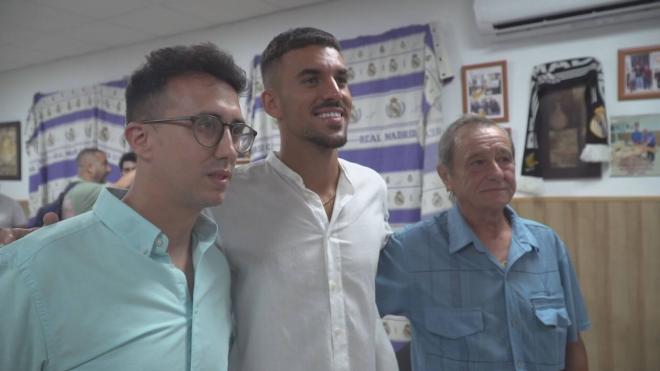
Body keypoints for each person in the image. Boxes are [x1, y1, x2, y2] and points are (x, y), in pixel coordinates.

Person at [0, 42, 256, 370]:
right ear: (140, 139)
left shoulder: (217, 267)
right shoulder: (32, 271)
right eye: (206, 124)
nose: (230, 150)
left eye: (236, 131)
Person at [211, 27, 398, 371]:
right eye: (311, 80)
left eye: (341, 80)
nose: (334, 93)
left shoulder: (372, 188)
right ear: (272, 103)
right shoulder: (230, 198)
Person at [376, 114, 590, 371]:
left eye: (504, 159)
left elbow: (573, 342)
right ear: (446, 176)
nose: (496, 173)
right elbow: (347, 320)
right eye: (478, 163)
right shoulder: (409, 251)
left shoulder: (548, 245)